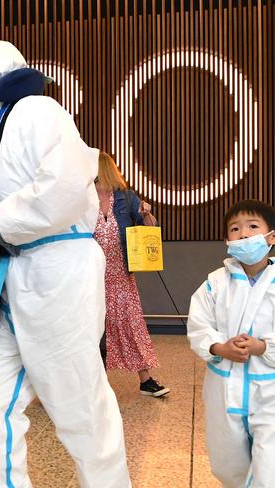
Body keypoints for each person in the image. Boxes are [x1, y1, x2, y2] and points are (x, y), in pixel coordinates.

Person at [0, 40, 132, 488]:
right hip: (8, 278)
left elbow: (66, 186)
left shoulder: (38, 112)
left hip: (58, 270)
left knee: (78, 408)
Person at [187, 199, 275, 488]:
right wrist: (219, 347)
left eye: (252, 227)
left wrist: (264, 346)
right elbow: (198, 326)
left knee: (270, 467)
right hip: (225, 388)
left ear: (273, 237)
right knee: (227, 464)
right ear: (227, 240)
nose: (244, 234)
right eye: (235, 229)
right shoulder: (214, 285)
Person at [94, 151, 170, 397]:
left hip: (120, 275)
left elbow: (152, 229)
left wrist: (147, 212)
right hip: (91, 277)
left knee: (130, 324)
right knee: (94, 328)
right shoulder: (82, 198)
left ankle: (145, 379)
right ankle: (98, 381)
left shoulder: (125, 197)